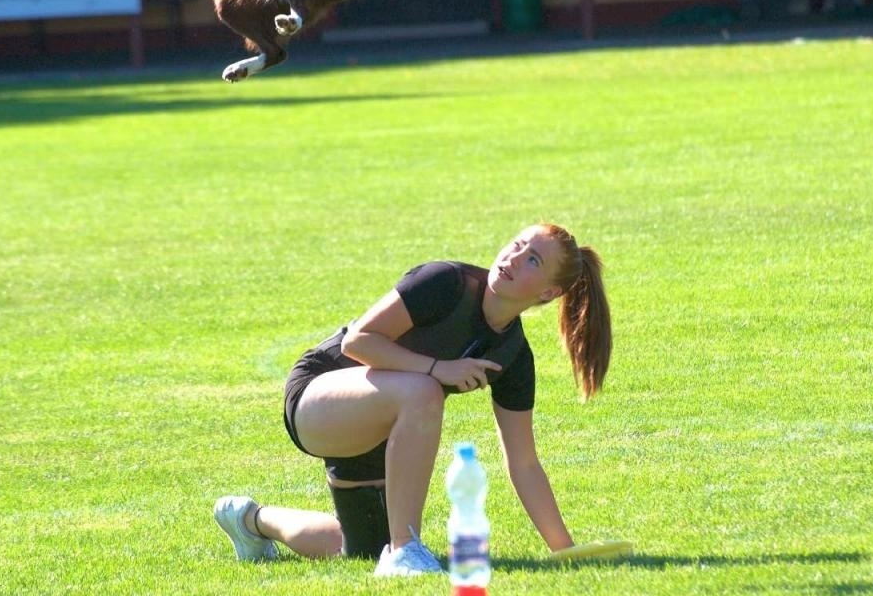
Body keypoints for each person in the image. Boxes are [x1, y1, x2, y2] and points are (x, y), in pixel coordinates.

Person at [212, 223, 612, 576]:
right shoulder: (446, 282)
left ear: (548, 292)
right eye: (517, 244)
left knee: (361, 549)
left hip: (382, 428)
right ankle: (406, 551)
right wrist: (438, 368)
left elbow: (523, 462)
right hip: (319, 395)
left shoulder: (512, 355)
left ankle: (251, 520)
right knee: (423, 391)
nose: (513, 257)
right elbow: (359, 341)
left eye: (533, 260)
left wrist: (566, 550)